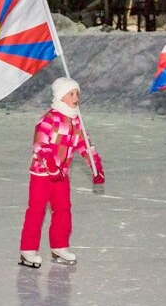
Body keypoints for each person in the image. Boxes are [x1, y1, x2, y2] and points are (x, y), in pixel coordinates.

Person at [18, 77, 105, 268]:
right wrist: (50, 164)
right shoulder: (49, 119)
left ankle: (59, 246)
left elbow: (86, 146)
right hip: (42, 173)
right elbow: (40, 144)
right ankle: (28, 250)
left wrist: (96, 168)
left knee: (63, 210)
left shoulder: (76, 122)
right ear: (60, 96)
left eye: (77, 94)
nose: (76, 98)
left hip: (62, 175)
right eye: (71, 94)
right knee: (37, 210)